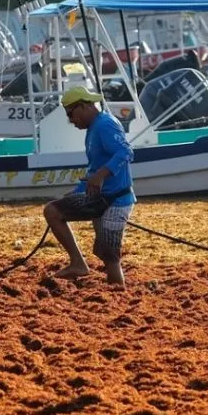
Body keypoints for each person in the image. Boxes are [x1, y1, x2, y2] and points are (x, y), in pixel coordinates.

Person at [43, 85, 135, 284]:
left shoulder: (105, 125)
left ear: (83, 106)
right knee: (53, 211)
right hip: (100, 197)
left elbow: (126, 152)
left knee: (109, 255)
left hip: (116, 199)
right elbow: (95, 169)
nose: (71, 120)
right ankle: (78, 263)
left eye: (71, 114)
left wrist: (101, 175)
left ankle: (116, 292)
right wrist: (78, 191)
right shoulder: (93, 128)